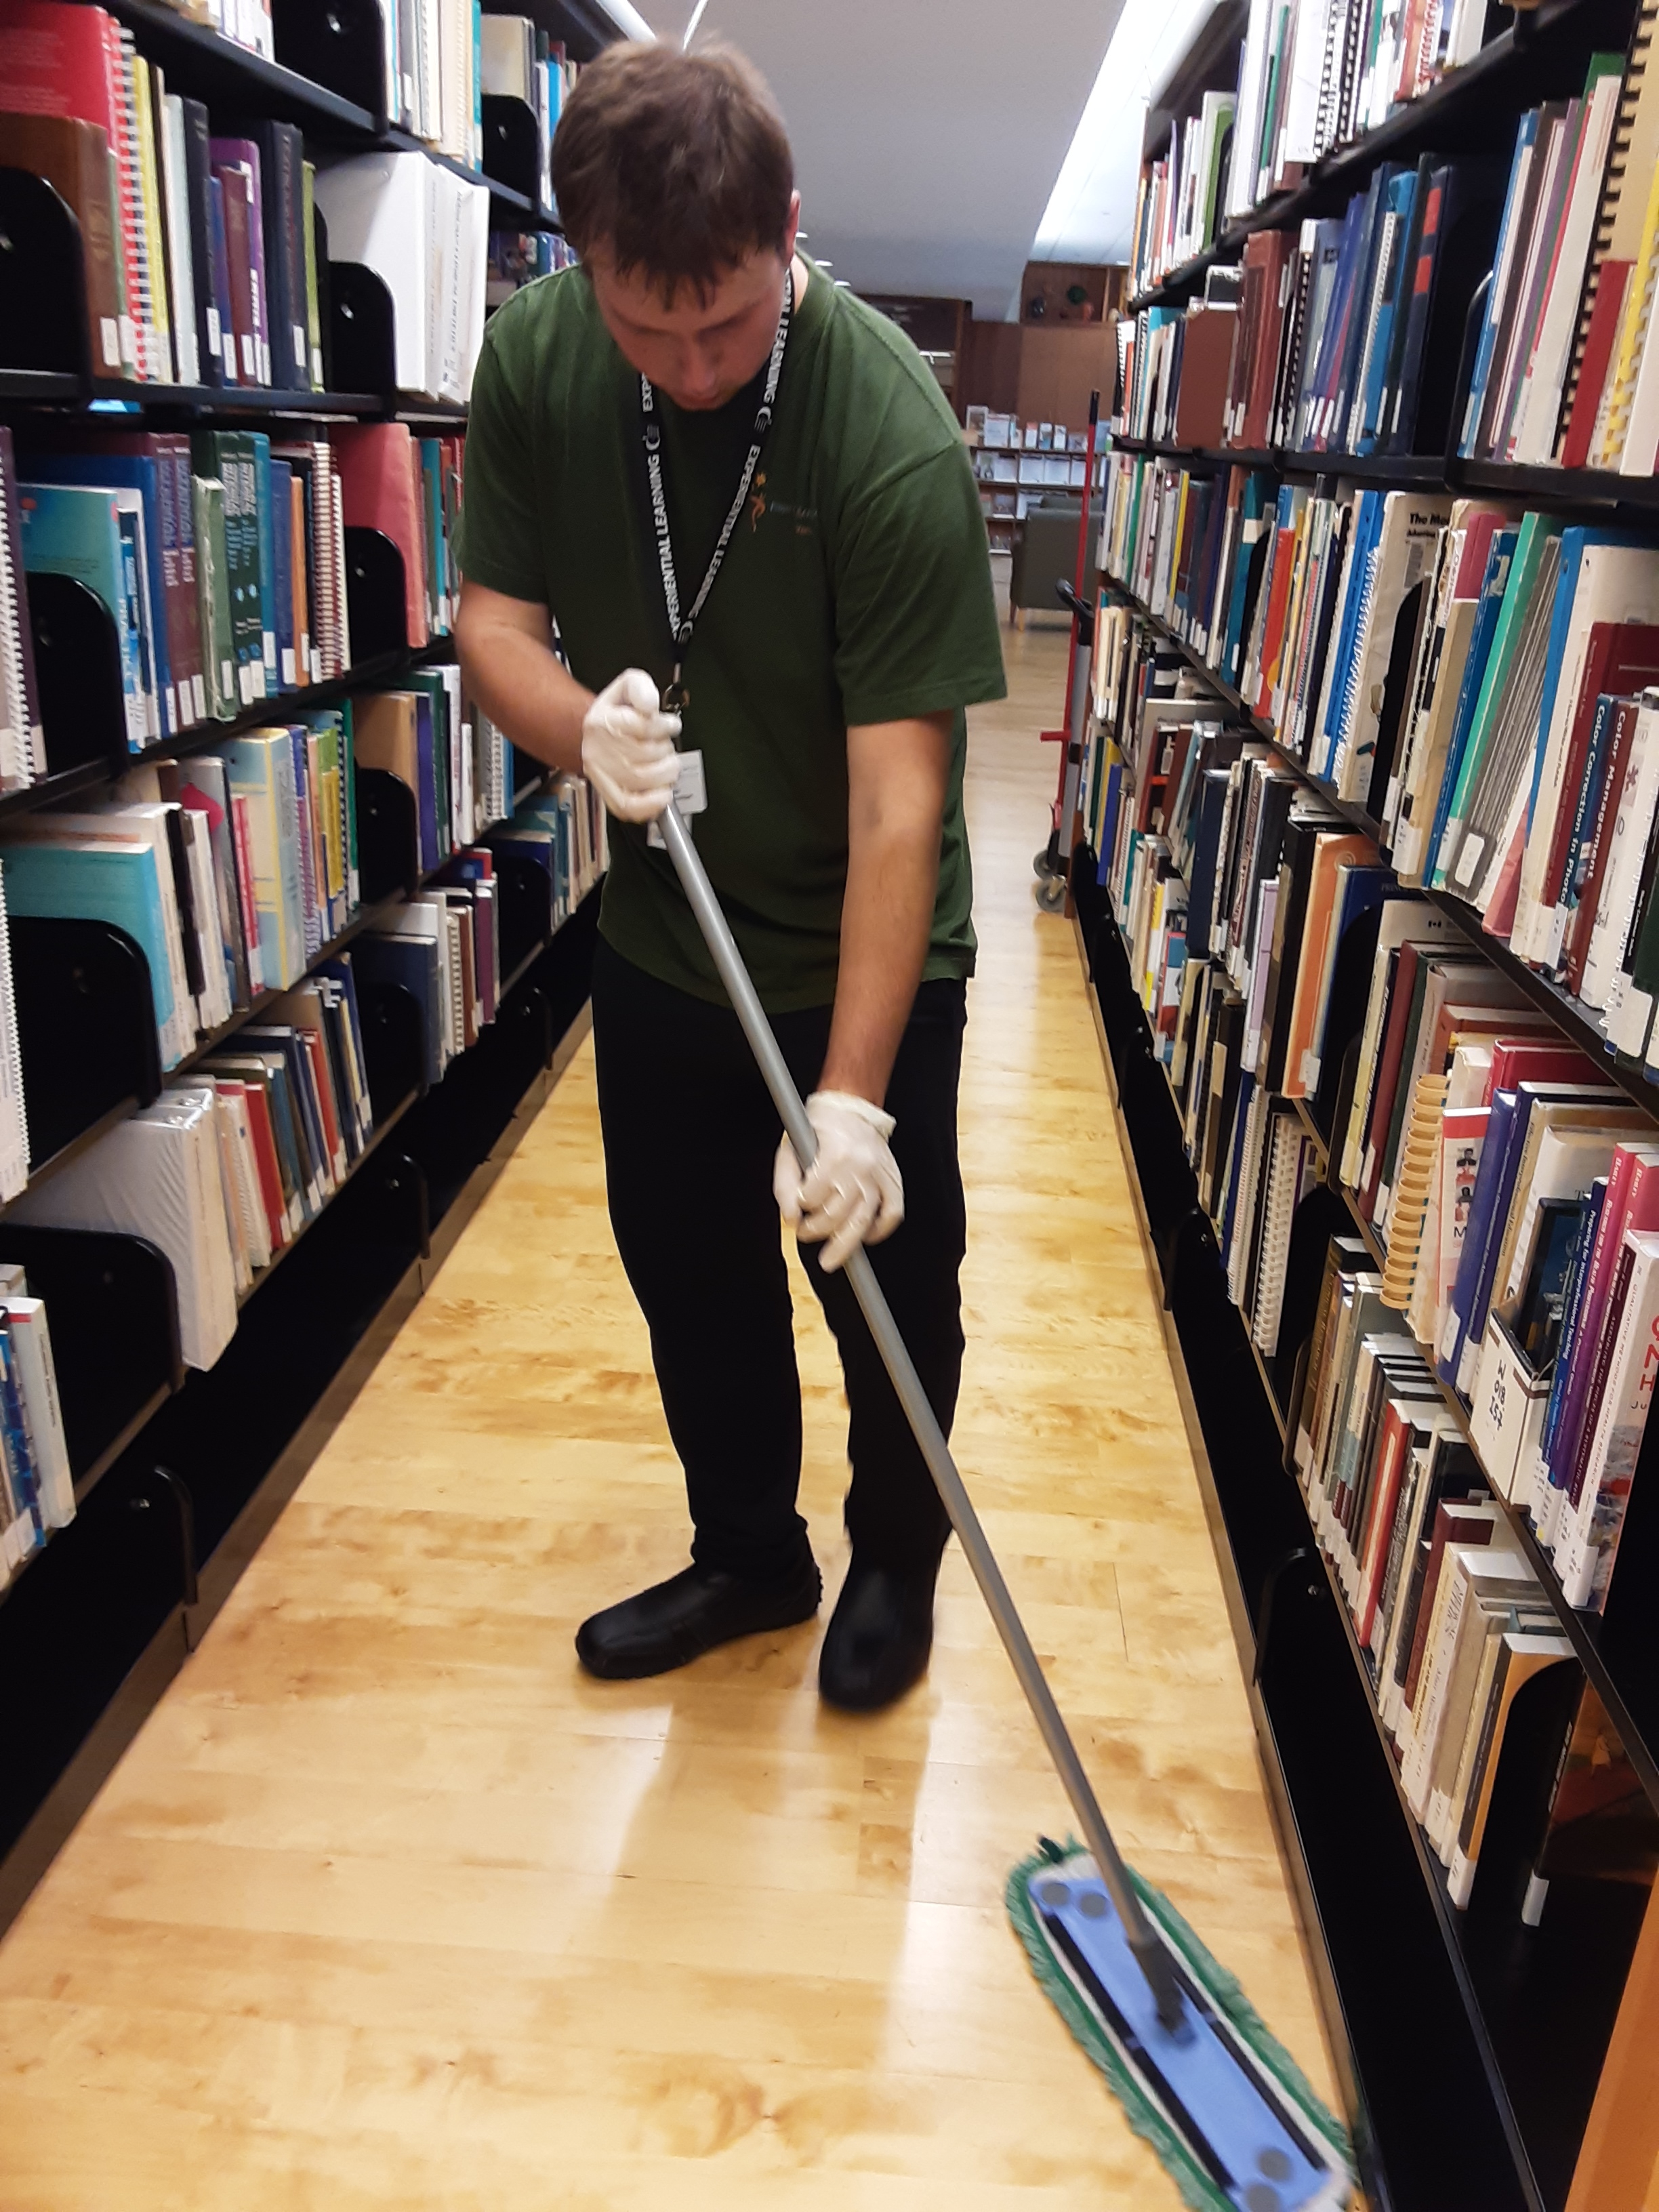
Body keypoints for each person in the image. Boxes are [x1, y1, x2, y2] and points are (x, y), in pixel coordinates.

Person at [453, 39, 1005, 1711]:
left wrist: (851, 1103)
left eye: (730, 323)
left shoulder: (886, 429)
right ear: (581, 268)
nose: (692, 369)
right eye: (648, 327)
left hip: (863, 936)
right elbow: (491, 625)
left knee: (887, 1286)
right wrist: (578, 729)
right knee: (690, 1270)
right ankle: (749, 1555)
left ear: (788, 228)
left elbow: (903, 803)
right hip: (667, 931)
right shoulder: (537, 364)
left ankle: (894, 1564)